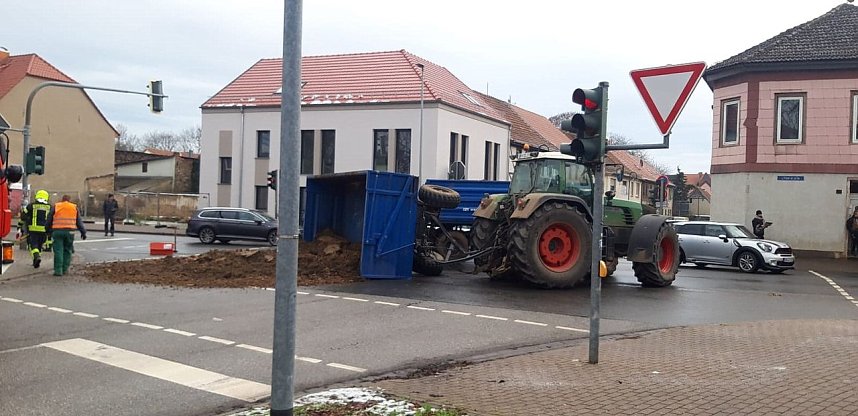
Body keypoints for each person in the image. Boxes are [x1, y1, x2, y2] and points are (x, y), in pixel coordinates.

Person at [46, 194, 87, 276]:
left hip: (57, 231)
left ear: (62, 199)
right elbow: (79, 222)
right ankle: (65, 269)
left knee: (58, 250)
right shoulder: (74, 207)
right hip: (70, 232)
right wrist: (83, 232)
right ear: (69, 200)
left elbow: (49, 219)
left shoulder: (56, 206)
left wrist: (47, 230)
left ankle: (58, 270)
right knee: (68, 250)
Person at [18, 190, 52, 268]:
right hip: (44, 231)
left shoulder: (31, 206)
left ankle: (36, 257)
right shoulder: (50, 207)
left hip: (33, 230)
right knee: (39, 246)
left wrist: (19, 226)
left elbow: (23, 216)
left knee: (33, 245)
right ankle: (36, 261)